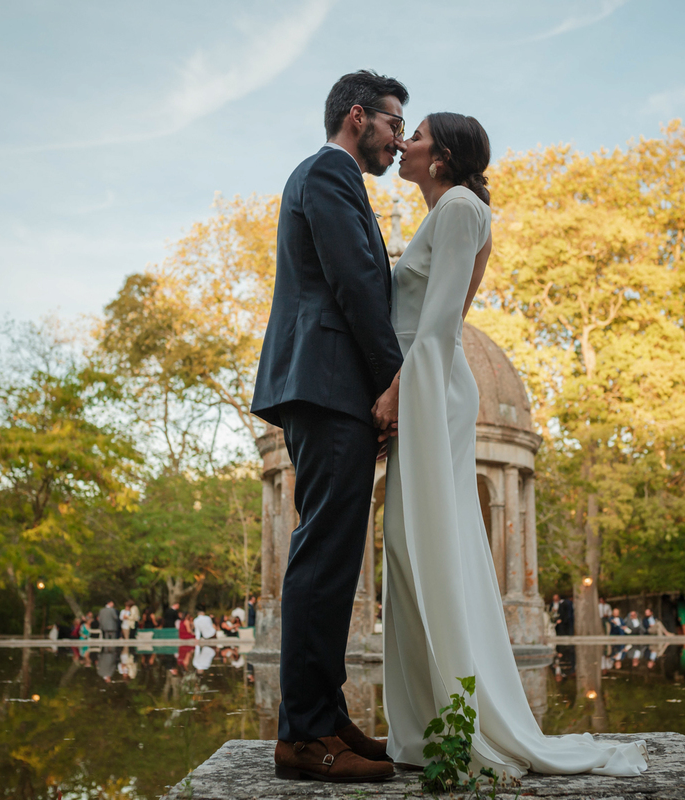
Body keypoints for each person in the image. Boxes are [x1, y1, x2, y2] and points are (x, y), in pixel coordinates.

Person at [376, 110, 647, 779]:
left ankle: (458, 726)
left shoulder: (462, 209)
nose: (403, 143)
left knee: (427, 548)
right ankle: (420, 731)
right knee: (410, 551)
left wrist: (395, 392)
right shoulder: (451, 212)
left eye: (417, 137)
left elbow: (440, 324)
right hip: (428, 382)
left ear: (441, 159)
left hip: (431, 387)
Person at [250, 70, 407, 784]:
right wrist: (391, 381)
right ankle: (303, 736)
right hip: (328, 382)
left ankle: (327, 715)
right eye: (392, 124)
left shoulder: (341, 182)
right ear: (356, 117)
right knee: (321, 555)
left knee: (337, 555)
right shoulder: (327, 173)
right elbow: (352, 283)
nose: (399, 140)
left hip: (331, 386)